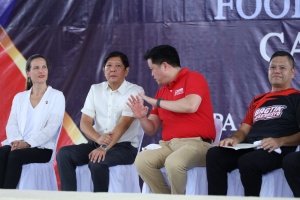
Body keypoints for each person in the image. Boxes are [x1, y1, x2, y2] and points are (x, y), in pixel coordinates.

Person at [206, 51, 300, 196]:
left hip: (277, 149)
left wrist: (280, 141)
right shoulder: (258, 99)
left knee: (247, 161)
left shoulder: (296, 97)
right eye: (273, 67)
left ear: (292, 72)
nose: (276, 71)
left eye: (282, 68)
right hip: (251, 146)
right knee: (214, 154)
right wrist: (234, 139)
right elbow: (244, 130)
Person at [127, 44, 215, 194]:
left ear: (165, 66)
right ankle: (166, 197)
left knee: (174, 162)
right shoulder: (161, 91)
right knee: (141, 161)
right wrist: (142, 118)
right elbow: (151, 129)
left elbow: (190, 105)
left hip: (197, 144)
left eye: (152, 69)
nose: (152, 74)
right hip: (169, 145)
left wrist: (157, 102)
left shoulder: (193, 78)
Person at [56, 51, 144, 192]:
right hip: (97, 142)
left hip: (125, 147)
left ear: (126, 71)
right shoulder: (95, 89)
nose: (112, 69)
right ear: (103, 70)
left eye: (118, 66)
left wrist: (104, 148)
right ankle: (68, 196)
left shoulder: (135, 91)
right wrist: (98, 139)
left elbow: (124, 125)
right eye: (108, 66)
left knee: (97, 162)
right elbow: (85, 122)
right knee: (64, 154)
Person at [0, 54, 65, 189]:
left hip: (42, 148)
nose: (41, 71)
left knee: (15, 157)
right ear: (28, 73)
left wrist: (27, 144)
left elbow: (51, 128)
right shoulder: (20, 97)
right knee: (2, 152)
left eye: (44, 67)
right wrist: (17, 141)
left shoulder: (57, 96)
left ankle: (7, 195)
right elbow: (12, 124)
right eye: (36, 68)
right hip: (18, 143)